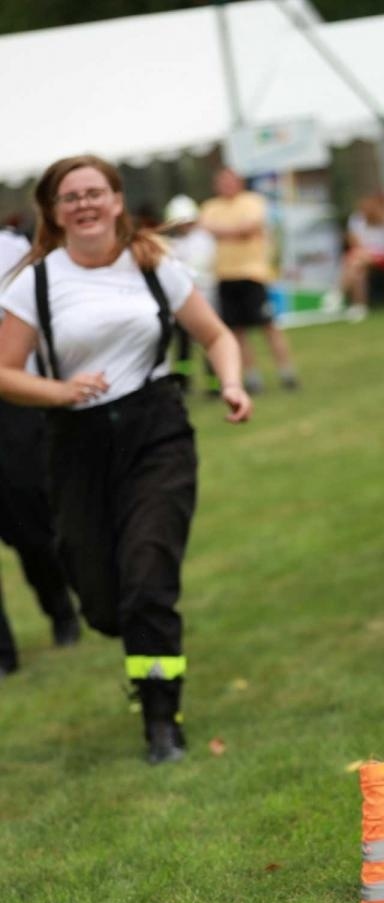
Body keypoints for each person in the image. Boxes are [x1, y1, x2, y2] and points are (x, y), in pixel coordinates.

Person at [0, 153, 253, 764]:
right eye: (70, 197)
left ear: (116, 201)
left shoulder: (152, 263)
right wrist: (59, 391)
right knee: (105, 603)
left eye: (95, 192)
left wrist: (232, 383)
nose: (84, 204)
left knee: (148, 579)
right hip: (75, 444)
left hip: (156, 433)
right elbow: (4, 371)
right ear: (55, 212)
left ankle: (162, 718)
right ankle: (119, 626)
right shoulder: (37, 281)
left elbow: (215, 334)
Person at [0, 223, 80, 677]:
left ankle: (60, 609)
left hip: (11, 403)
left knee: (29, 521)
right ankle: (3, 653)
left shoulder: (10, 249)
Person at [200, 166, 298, 393]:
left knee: (268, 326)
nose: (226, 185)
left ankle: (286, 372)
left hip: (252, 274)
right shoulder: (211, 207)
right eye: (222, 181)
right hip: (225, 276)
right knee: (236, 331)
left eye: (230, 180)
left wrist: (225, 232)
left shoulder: (253, 202)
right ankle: (252, 377)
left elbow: (249, 227)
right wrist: (236, 231)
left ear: (239, 182)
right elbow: (208, 227)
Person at [163, 194, 218, 392]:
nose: (183, 227)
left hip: (205, 298)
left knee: (209, 341)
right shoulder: (171, 243)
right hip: (180, 302)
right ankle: (183, 382)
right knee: (183, 345)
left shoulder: (203, 240)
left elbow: (198, 268)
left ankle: (215, 385)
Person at [339, 191, 384, 321]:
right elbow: (354, 244)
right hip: (362, 257)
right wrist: (364, 254)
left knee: (355, 261)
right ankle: (359, 306)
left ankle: (338, 294)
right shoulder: (356, 220)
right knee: (358, 269)